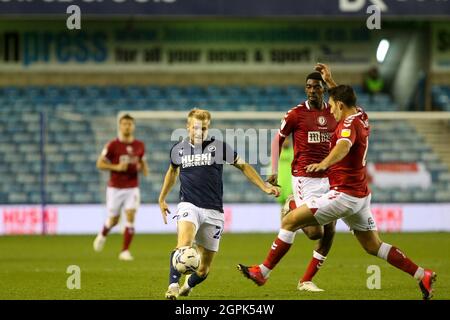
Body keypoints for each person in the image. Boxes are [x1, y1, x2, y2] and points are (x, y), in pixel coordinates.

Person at [238, 83, 437, 300]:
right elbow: (346, 100)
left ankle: (262, 272)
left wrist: (324, 163)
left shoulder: (347, 125)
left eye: (332, 106)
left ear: (340, 105)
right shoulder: (361, 115)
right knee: (373, 246)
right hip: (361, 196)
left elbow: (343, 146)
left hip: (343, 195)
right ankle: (422, 274)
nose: (330, 110)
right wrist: (332, 83)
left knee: (289, 221)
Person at [159, 108, 280, 300]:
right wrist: (162, 197)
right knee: (184, 246)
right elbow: (172, 172)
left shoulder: (219, 147)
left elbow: (244, 166)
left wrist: (264, 187)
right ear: (188, 127)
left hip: (214, 211)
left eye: (204, 128)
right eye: (195, 128)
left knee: (203, 269)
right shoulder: (178, 149)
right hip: (188, 205)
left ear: (209, 128)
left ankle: (187, 286)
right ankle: (172, 286)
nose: (199, 132)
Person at [265, 67, 338, 292]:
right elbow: (278, 139)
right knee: (315, 232)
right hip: (305, 178)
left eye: (316, 87)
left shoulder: (334, 112)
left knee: (330, 229)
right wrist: (274, 170)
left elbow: (350, 106)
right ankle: (292, 206)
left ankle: (306, 280)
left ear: (323, 90)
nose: (312, 91)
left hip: (330, 177)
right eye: (308, 87)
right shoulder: (295, 114)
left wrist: (332, 81)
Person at [93, 114, 149, 261]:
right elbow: (100, 164)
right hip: (115, 187)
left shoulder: (139, 145)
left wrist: (144, 169)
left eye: (130, 124)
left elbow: (142, 162)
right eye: (124, 124)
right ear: (120, 126)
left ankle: (125, 251)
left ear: (133, 126)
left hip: (132, 187)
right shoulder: (112, 145)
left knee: (130, 216)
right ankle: (103, 234)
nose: (127, 126)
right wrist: (116, 167)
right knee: (114, 220)